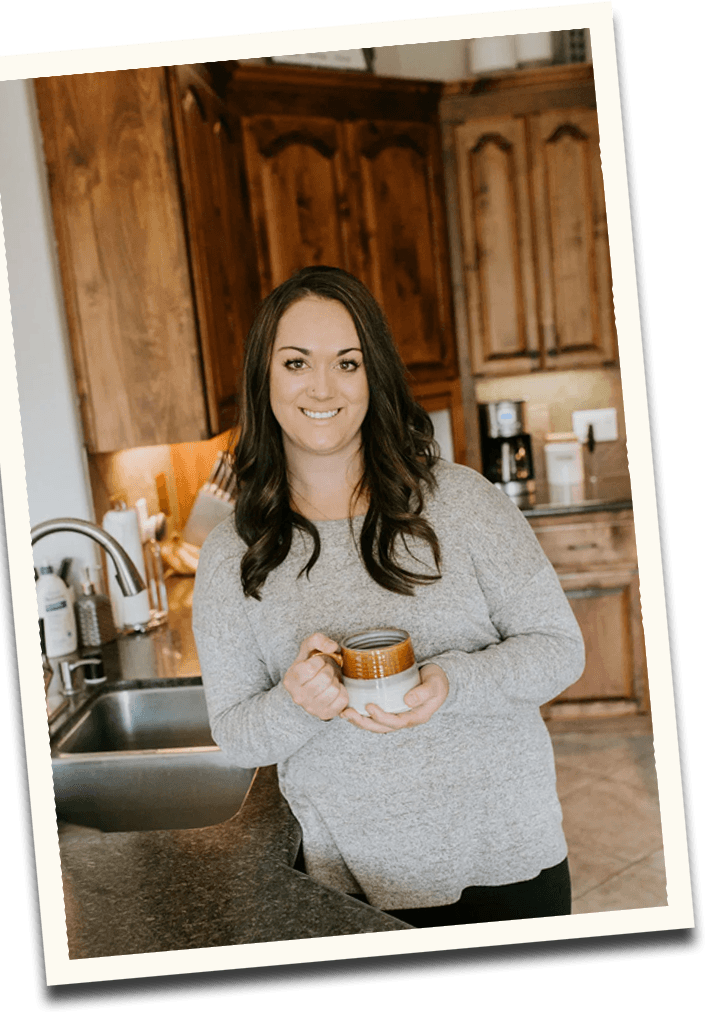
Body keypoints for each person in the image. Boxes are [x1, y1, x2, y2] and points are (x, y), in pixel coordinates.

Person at [192, 266, 585, 928]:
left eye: (347, 362)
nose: (322, 387)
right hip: (356, 885)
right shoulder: (233, 552)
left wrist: (452, 681)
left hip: (510, 858)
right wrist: (297, 703)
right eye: (296, 362)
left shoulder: (463, 501)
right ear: (265, 378)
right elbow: (233, 733)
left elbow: (561, 650)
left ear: (373, 374)